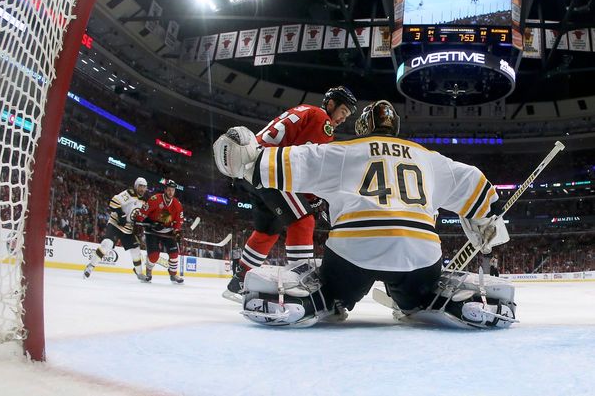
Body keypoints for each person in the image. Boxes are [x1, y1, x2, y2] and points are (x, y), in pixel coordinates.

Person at [213, 100, 515, 329]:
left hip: (353, 253)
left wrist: (249, 158)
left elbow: (287, 163)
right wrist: (489, 216)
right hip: (419, 256)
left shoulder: (345, 151)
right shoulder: (428, 158)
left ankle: (311, 299)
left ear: (363, 127)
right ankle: (441, 300)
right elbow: (473, 181)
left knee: (331, 290)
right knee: (421, 293)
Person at [216, 86, 358, 301]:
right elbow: (306, 160)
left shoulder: (304, 109)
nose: (342, 119)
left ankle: (237, 284)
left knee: (268, 231)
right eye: (343, 112)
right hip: (271, 170)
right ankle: (300, 285)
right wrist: (313, 197)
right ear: (331, 104)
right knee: (303, 220)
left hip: (253, 169)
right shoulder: (321, 119)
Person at [84, 177, 148, 280]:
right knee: (107, 244)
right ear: (136, 186)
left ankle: (139, 273)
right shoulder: (129, 193)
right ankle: (90, 267)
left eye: (144, 187)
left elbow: (140, 216)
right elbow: (113, 202)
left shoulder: (144, 201)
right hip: (116, 224)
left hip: (128, 228)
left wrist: (139, 224)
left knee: (136, 250)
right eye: (140, 186)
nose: (142, 189)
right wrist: (121, 215)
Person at [134, 179, 185, 284]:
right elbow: (143, 213)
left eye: (173, 190)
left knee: (174, 254)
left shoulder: (177, 204)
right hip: (152, 231)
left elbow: (178, 221)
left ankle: (173, 274)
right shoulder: (155, 199)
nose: (171, 192)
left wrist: (177, 231)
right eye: (169, 190)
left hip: (168, 232)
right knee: (154, 256)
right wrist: (142, 221)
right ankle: (148, 270)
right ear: (165, 190)